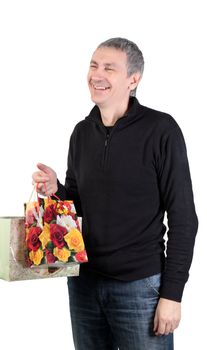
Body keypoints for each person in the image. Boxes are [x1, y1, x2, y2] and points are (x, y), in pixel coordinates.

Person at [32, 37, 198, 350]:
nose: (97, 74)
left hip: (140, 288)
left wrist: (172, 295)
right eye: (94, 65)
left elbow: (184, 218)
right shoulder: (82, 132)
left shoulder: (161, 130)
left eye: (109, 68)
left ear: (133, 79)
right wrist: (56, 192)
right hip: (84, 285)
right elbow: (78, 209)